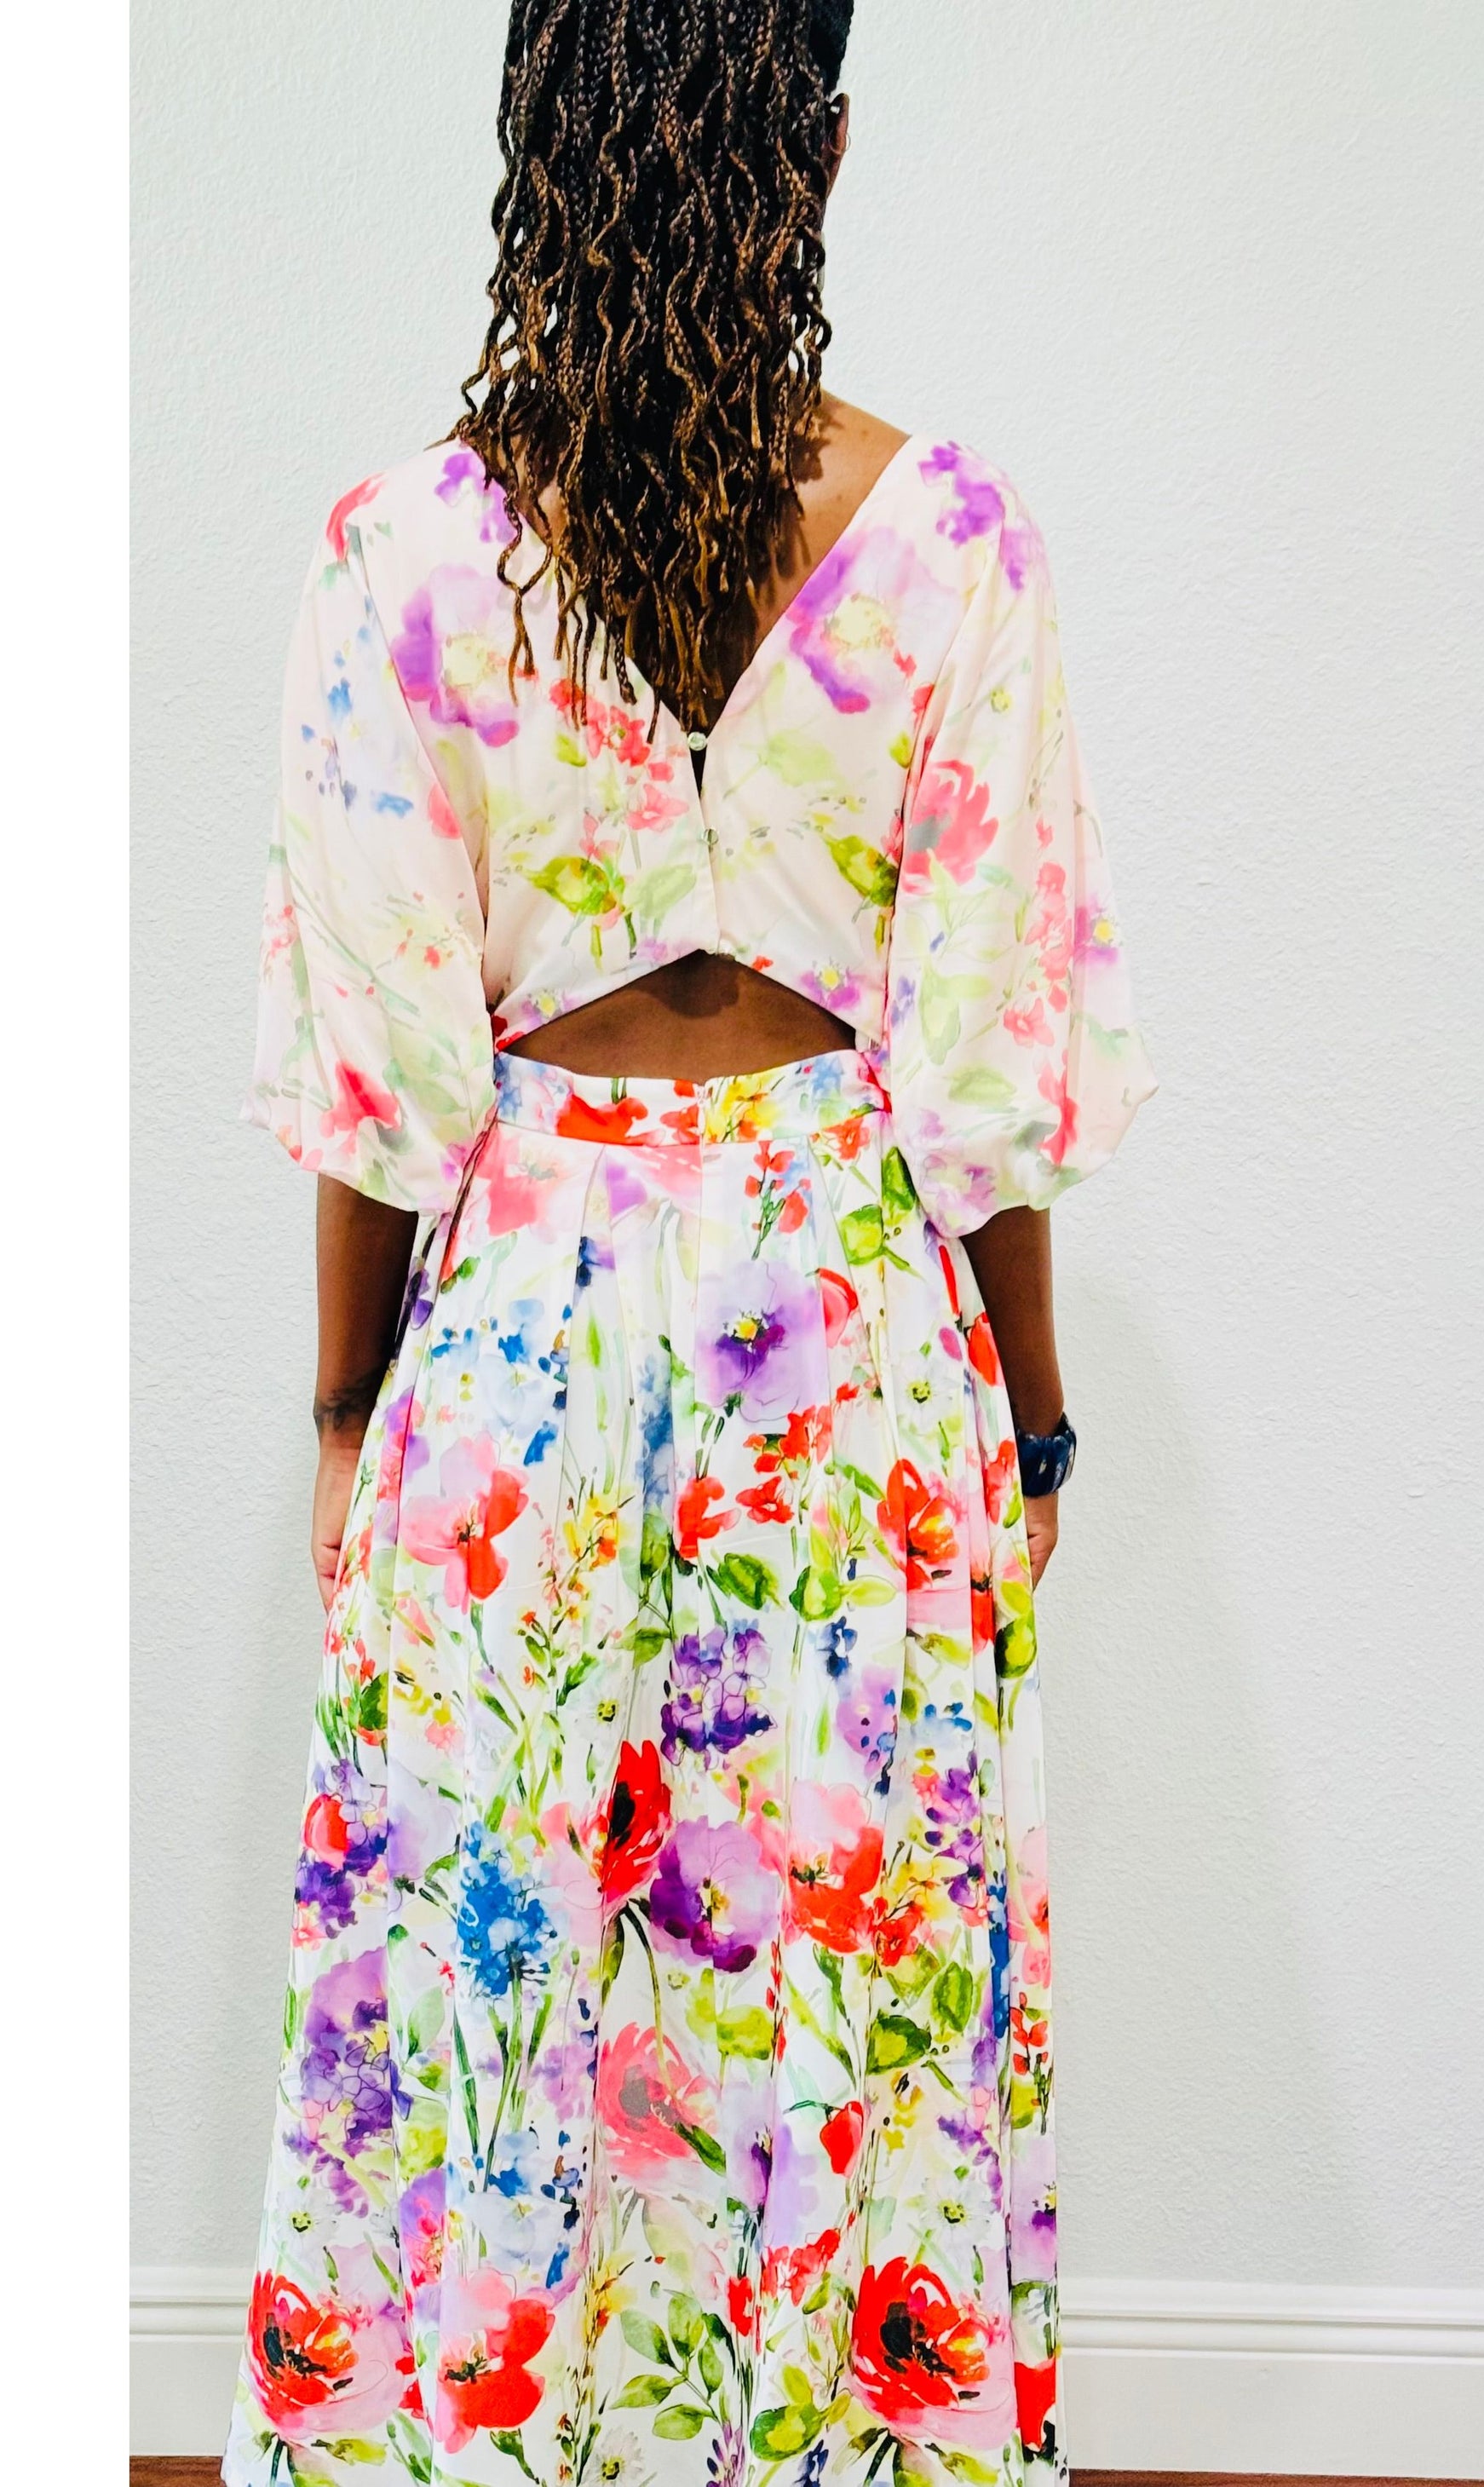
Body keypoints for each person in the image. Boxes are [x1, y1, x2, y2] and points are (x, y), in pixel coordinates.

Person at [225, 4, 1155, 2482]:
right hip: (848, 1342)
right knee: (841, 1987)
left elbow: (382, 1080)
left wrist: (347, 1412)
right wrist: (1034, 1414)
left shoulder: (407, 551)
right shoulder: (950, 543)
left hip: (517, 1341)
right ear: (817, 153)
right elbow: (986, 1074)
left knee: (492, 1992)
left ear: (533, 140)